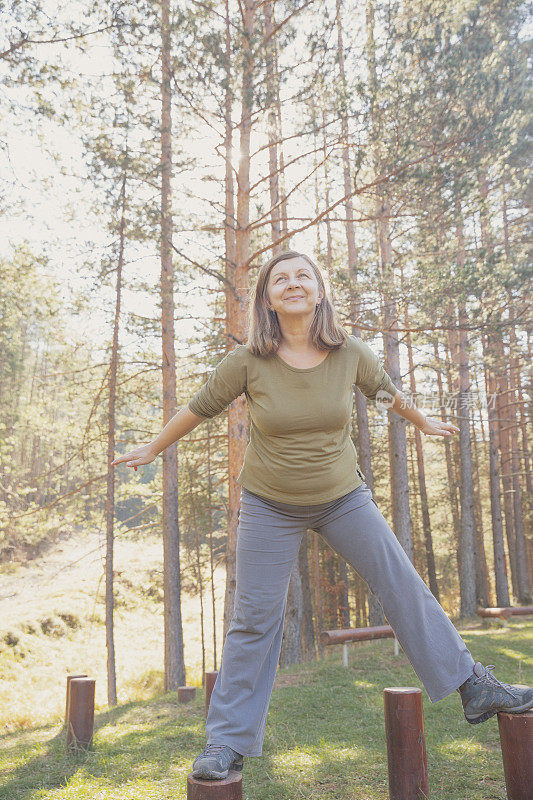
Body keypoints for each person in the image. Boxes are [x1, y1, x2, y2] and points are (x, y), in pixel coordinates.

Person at [111, 250, 533, 781]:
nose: (292, 284)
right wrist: (154, 447)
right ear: (267, 297)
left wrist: (422, 421)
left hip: (342, 497)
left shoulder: (348, 352)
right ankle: (226, 742)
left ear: (318, 290)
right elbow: (200, 406)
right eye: (280, 279)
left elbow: (385, 392)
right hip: (269, 504)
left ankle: (474, 685)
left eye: (302, 276)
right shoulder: (247, 361)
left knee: (401, 582)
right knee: (253, 619)